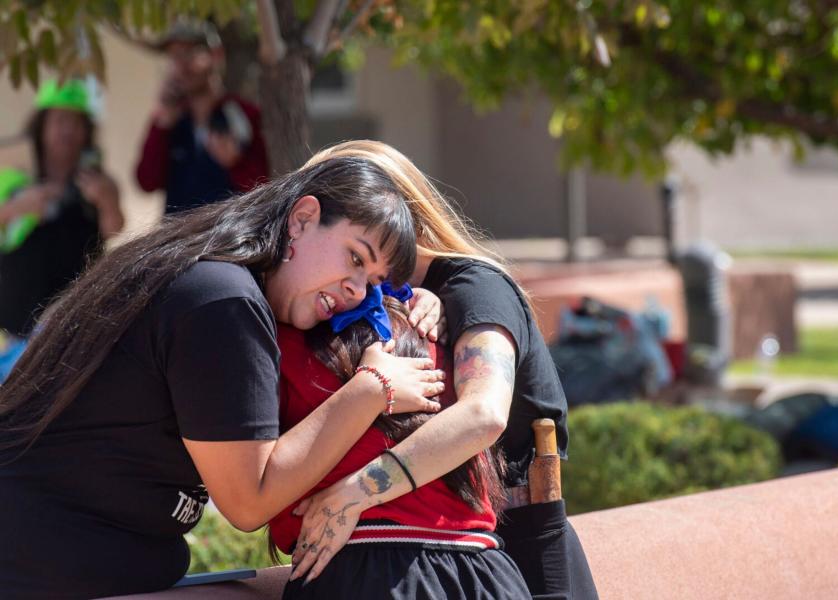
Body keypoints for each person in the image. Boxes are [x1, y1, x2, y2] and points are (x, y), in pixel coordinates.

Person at [0, 153, 446, 599]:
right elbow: (249, 501)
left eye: (373, 282)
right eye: (354, 257)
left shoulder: (211, 277)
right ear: (303, 219)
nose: (357, 290)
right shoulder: (223, 302)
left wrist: (413, 305)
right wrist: (371, 388)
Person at [289, 141, 600, 599]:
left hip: (520, 548)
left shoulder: (473, 286)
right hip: (454, 550)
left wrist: (358, 491)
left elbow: (483, 415)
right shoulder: (373, 300)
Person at [271, 288, 531, 599]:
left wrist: (353, 493)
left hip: (363, 572)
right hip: (485, 574)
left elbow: (249, 486)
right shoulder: (425, 319)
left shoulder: (280, 336)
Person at [0, 79, 124, 376]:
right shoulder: (13, 176)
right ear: (41, 125)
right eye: (60, 120)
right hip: (14, 331)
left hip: (74, 331)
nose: (68, 130)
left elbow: (115, 232)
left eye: (77, 122)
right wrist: (19, 207)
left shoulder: (98, 181)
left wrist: (107, 203)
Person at [135, 20, 269, 213]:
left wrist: (235, 164)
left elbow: (267, 189)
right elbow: (146, 182)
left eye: (190, 53)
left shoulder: (245, 114)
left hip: (228, 238)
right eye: (174, 56)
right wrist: (162, 125)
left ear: (216, 55)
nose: (181, 65)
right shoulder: (169, 119)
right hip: (177, 240)